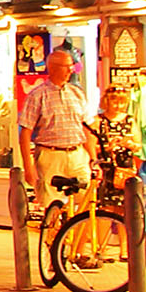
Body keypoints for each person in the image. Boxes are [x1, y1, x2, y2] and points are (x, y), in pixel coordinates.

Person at [19, 48, 96, 212]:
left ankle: (78, 235)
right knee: (52, 204)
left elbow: (88, 128)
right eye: (65, 66)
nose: (70, 70)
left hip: (77, 153)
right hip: (50, 155)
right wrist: (28, 166)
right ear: (53, 68)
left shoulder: (77, 93)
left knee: (88, 198)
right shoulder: (37, 96)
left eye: (71, 66)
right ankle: (53, 235)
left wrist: (94, 158)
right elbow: (25, 133)